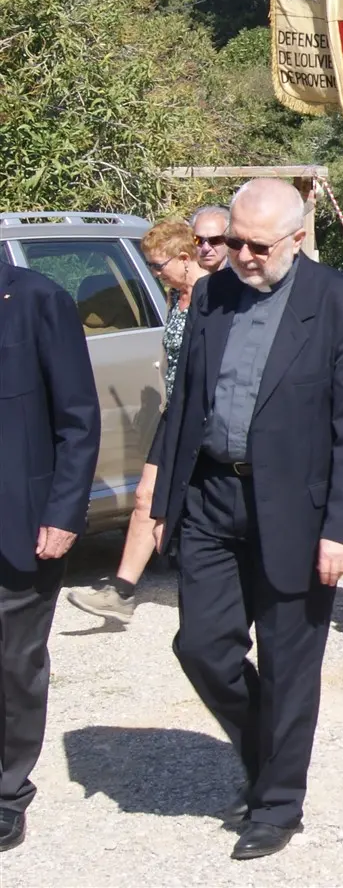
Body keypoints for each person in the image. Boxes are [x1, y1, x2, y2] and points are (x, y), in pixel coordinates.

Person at [150, 178, 343, 859]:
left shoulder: (339, 306)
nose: (242, 256)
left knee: (288, 666)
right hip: (213, 499)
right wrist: (164, 501)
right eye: (233, 242)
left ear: (296, 236)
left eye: (256, 245)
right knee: (202, 645)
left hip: (297, 511)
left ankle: (276, 802)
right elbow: (186, 400)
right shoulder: (214, 295)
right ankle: (267, 750)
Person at [0, 259, 99, 853]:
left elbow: (78, 418)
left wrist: (64, 514)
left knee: (14, 663)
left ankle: (8, 791)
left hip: (21, 523)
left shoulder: (37, 298)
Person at [68, 218, 208, 624]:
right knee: (146, 496)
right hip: (175, 412)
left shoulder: (211, 297)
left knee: (191, 502)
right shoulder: (173, 297)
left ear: (185, 258)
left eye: (158, 265)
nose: (153, 272)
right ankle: (121, 591)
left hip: (202, 414)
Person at [192, 204, 231, 273]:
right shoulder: (184, 278)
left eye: (215, 240)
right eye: (199, 240)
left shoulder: (242, 278)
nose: (206, 248)